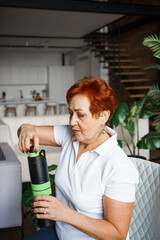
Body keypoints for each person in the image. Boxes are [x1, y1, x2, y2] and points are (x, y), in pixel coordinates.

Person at [18, 77, 139, 240]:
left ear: (103, 116)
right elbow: (28, 131)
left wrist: (65, 214)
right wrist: (26, 128)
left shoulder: (118, 167)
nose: (72, 121)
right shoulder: (71, 136)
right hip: (61, 233)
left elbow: (117, 234)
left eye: (80, 115)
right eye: (70, 113)